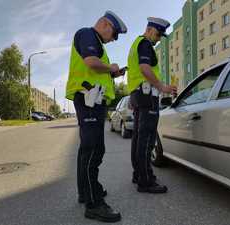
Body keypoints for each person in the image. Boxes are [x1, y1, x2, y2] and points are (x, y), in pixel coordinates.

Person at [65, 11, 127, 222]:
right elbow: (91, 62)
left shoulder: (95, 41)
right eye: (114, 34)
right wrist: (110, 67)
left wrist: (114, 73)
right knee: (93, 149)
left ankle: (87, 192)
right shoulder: (88, 34)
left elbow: (95, 68)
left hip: (92, 99)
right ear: (105, 24)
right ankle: (94, 204)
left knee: (87, 149)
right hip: (88, 97)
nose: (113, 39)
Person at [127, 17, 177, 193]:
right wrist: (162, 86)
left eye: (160, 35)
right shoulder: (145, 44)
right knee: (147, 138)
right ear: (148, 30)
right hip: (147, 94)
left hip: (137, 94)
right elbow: (144, 68)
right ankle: (146, 181)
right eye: (157, 34)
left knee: (139, 138)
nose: (157, 38)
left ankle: (138, 174)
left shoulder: (136, 44)